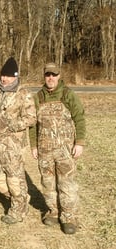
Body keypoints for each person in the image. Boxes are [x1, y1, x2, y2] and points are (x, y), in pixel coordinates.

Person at [0, 57, 36, 224]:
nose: (4, 79)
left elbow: (31, 118)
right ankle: (21, 199)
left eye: (8, 76)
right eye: (3, 75)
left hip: (12, 143)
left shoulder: (23, 94)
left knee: (14, 178)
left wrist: (11, 125)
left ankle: (17, 211)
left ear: (15, 77)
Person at [29, 62, 85, 234]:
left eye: (54, 74)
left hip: (65, 150)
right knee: (48, 183)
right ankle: (53, 211)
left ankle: (68, 217)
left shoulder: (68, 94)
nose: (51, 78)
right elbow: (33, 125)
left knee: (66, 184)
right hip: (44, 150)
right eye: (48, 75)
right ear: (44, 76)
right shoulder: (38, 97)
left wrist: (80, 142)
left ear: (59, 76)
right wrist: (33, 145)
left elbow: (80, 118)